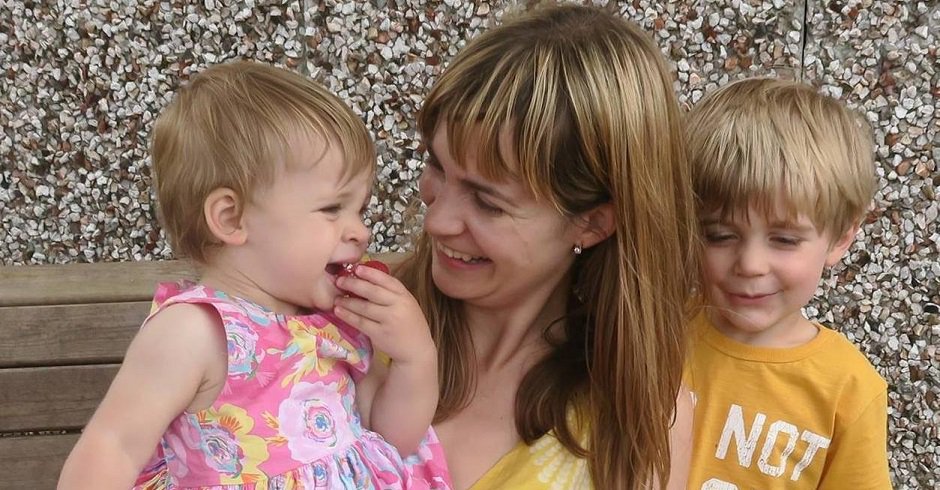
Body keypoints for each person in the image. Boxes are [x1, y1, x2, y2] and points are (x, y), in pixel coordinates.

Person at [58, 60, 446, 489]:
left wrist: (415, 358)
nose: (360, 231)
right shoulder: (196, 331)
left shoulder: (332, 327)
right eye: (333, 208)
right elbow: (114, 445)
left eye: (360, 209)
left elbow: (393, 438)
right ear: (232, 219)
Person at [392, 3, 699, 489]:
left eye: (488, 203)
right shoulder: (346, 323)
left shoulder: (634, 424)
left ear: (592, 224)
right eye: (436, 166)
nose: (436, 221)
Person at [682, 77, 891, 488]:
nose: (750, 265)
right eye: (719, 235)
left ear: (840, 238)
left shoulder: (848, 389)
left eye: (784, 240)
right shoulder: (656, 335)